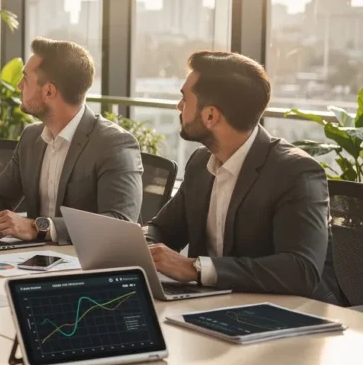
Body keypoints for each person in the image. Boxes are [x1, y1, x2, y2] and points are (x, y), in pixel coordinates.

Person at [146, 52, 344, 303]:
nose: (179, 106)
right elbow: (164, 228)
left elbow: (300, 270)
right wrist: (143, 246)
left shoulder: (296, 172)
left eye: (185, 98)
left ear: (210, 116)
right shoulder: (200, 163)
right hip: (212, 305)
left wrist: (194, 268)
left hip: (294, 315)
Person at [0, 38, 142, 245]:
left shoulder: (114, 144)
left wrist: (40, 227)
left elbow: (121, 223)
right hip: (30, 260)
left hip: (81, 264)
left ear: (49, 91)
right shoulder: (31, 138)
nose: (19, 85)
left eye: (25, 78)